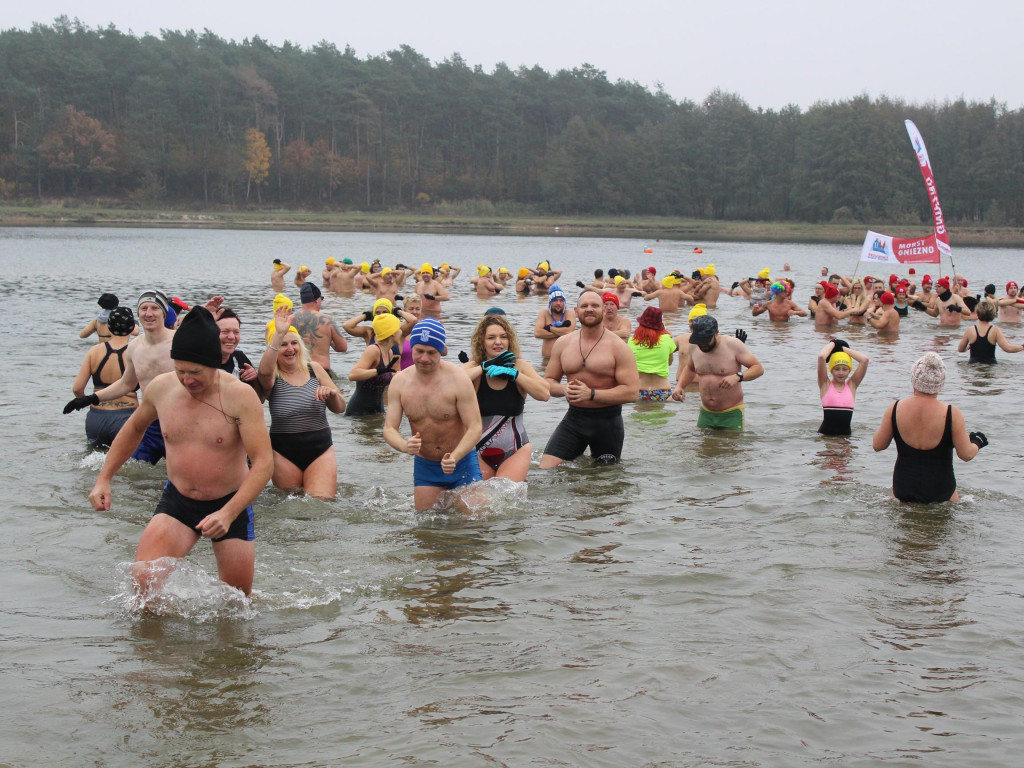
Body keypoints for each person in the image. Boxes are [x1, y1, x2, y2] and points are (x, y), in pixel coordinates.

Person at [88, 306, 274, 598]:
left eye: (195, 372)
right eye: (180, 371)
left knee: (236, 602)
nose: (187, 380)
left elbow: (264, 463)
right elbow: (133, 430)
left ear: (215, 364)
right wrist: (104, 478)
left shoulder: (240, 396)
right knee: (143, 583)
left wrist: (228, 513)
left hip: (230, 502)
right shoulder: (162, 388)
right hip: (178, 500)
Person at [63, 289, 177, 464]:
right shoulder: (134, 347)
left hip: (179, 420)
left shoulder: (179, 341)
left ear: (164, 311)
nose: (148, 313)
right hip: (149, 422)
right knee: (130, 476)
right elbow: (126, 384)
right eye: (143, 308)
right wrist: (90, 398)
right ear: (138, 313)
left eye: (154, 308)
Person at [383, 318, 484, 511]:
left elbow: (475, 427)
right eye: (419, 351)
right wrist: (404, 445)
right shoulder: (400, 383)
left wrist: (455, 456)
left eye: (431, 353)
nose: (424, 358)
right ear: (410, 347)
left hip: (462, 462)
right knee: (426, 531)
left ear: (441, 351)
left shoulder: (458, 379)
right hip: (425, 465)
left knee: (474, 528)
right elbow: (389, 428)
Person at [540, 290, 640, 466]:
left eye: (595, 305)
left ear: (603, 310)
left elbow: (632, 392)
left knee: (605, 483)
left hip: (608, 422)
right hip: (574, 419)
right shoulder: (563, 343)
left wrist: (592, 394)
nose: (590, 309)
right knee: (546, 469)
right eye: (584, 306)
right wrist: (565, 389)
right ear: (576, 311)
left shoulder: (618, 346)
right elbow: (548, 382)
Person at [872, 352, 986, 503]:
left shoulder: (895, 408)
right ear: (941, 383)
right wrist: (977, 442)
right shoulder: (952, 413)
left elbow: (878, 445)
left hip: (903, 488)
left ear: (914, 379)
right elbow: (966, 455)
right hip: (941, 491)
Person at [258, 306, 345, 498]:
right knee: (292, 511)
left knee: (321, 504)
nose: (290, 349)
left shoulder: (314, 369)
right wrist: (277, 334)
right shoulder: (271, 376)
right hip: (283, 452)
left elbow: (340, 408)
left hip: (320, 449)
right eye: (283, 344)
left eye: (294, 343)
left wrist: (331, 394)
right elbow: (263, 372)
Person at [462, 313, 549, 481]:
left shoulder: (520, 366)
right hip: (476, 449)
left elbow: (544, 394)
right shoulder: (473, 368)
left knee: (506, 499)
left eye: (503, 337)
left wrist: (515, 374)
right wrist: (484, 367)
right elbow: (450, 384)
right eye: (491, 337)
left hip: (515, 449)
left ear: (509, 341)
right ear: (482, 341)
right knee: (481, 503)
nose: (498, 342)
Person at [672, 315, 763, 431]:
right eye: (699, 341)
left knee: (732, 447)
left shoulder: (733, 345)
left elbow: (758, 368)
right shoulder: (694, 346)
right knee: (701, 447)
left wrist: (738, 376)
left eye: (705, 340)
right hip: (706, 413)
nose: (702, 345)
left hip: (731, 413)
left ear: (716, 333)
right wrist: (680, 386)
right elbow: (690, 368)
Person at [71, 306, 139, 449]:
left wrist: (88, 403)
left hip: (96, 417)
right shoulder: (138, 351)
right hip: (126, 415)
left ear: (109, 326)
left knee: (92, 464)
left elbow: (77, 388)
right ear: (132, 327)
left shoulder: (94, 351)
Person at [345, 312, 401, 417]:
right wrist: (378, 371)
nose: (401, 331)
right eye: (399, 328)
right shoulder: (373, 350)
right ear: (393, 333)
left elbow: (386, 376)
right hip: (358, 413)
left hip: (377, 411)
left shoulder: (389, 352)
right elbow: (353, 375)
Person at [293, 282, 348, 377]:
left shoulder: (291, 319)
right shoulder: (327, 320)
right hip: (321, 372)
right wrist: (329, 340)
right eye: (321, 299)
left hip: (297, 372)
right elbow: (342, 347)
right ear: (316, 300)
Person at [816, 339, 868, 435]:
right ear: (831, 370)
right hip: (826, 437)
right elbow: (821, 357)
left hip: (846, 438)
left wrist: (843, 348)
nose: (841, 373)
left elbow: (864, 360)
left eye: (845, 369)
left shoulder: (852, 385)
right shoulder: (825, 384)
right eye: (836, 369)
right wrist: (834, 343)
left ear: (849, 370)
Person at [628, 307, 677, 401]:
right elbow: (669, 363)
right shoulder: (667, 339)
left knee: (640, 416)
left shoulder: (632, 341)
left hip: (639, 390)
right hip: (662, 390)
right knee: (661, 415)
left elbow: (629, 367)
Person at [956, 299, 1024, 363]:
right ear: (992, 314)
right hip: (990, 364)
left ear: (977, 313)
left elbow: (960, 349)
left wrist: (968, 347)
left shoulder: (970, 330)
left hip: (973, 365)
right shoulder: (995, 330)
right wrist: (1022, 347)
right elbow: (1008, 348)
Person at [214, 307, 258, 387]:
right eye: (225, 332)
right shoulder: (199, 362)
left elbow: (259, 398)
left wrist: (254, 379)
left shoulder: (240, 358)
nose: (231, 337)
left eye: (236, 332)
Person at [534, 286, 577, 362]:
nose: (558, 303)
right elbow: (537, 333)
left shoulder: (569, 313)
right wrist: (562, 332)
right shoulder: (544, 313)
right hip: (547, 359)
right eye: (555, 300)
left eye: (561, 300)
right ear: (550, 302)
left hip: (565, 359)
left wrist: (550, 328)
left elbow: (569, 331)